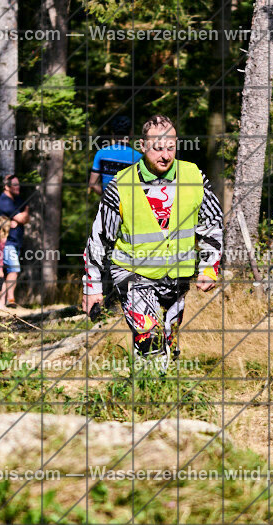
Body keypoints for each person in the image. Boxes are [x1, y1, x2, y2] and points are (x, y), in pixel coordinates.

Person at [81, 115, 223, 366]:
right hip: (132, 273)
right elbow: (99, 238)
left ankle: (155, 396)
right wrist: (93, 287)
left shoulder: (193, 175)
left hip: (177, 276)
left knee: (169, 345)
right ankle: (147, 397)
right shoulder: (121, 184)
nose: (165, 155)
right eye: (157, 148)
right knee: (149, 340)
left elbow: (212, 223)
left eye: (171, 147)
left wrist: (209, 266)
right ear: (142, 147)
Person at [0, 174, 30, 306]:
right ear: (6, 186)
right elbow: (22, 218)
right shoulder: (5, 201)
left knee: (8, 271)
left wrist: (23, 215)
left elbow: (25, 218)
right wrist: (22, 216)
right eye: (14, 184)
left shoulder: (16, 200)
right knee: (13, 269)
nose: (18, 186)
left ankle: (2, 302)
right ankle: (10, 299)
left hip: (15, 242)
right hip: (6, 242)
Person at [88, 116, 142, 196]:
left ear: (113, 134)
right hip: (128, 206)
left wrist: (106, 197)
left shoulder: (101, 153)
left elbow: (92, 184)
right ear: (131, 133)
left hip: (107, 206)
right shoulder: (138, 157)